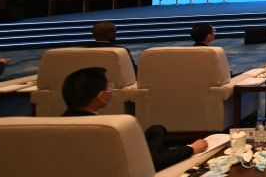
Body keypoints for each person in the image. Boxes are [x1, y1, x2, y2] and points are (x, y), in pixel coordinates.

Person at [61, 67, 208, 171]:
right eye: (109, 87)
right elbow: (153, 163)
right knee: (157, 150)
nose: (111, 90)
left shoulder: (55, 126)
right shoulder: (112, 129)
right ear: (102, 96)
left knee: (156, 130)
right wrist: (191, 148)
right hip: (138, 172)